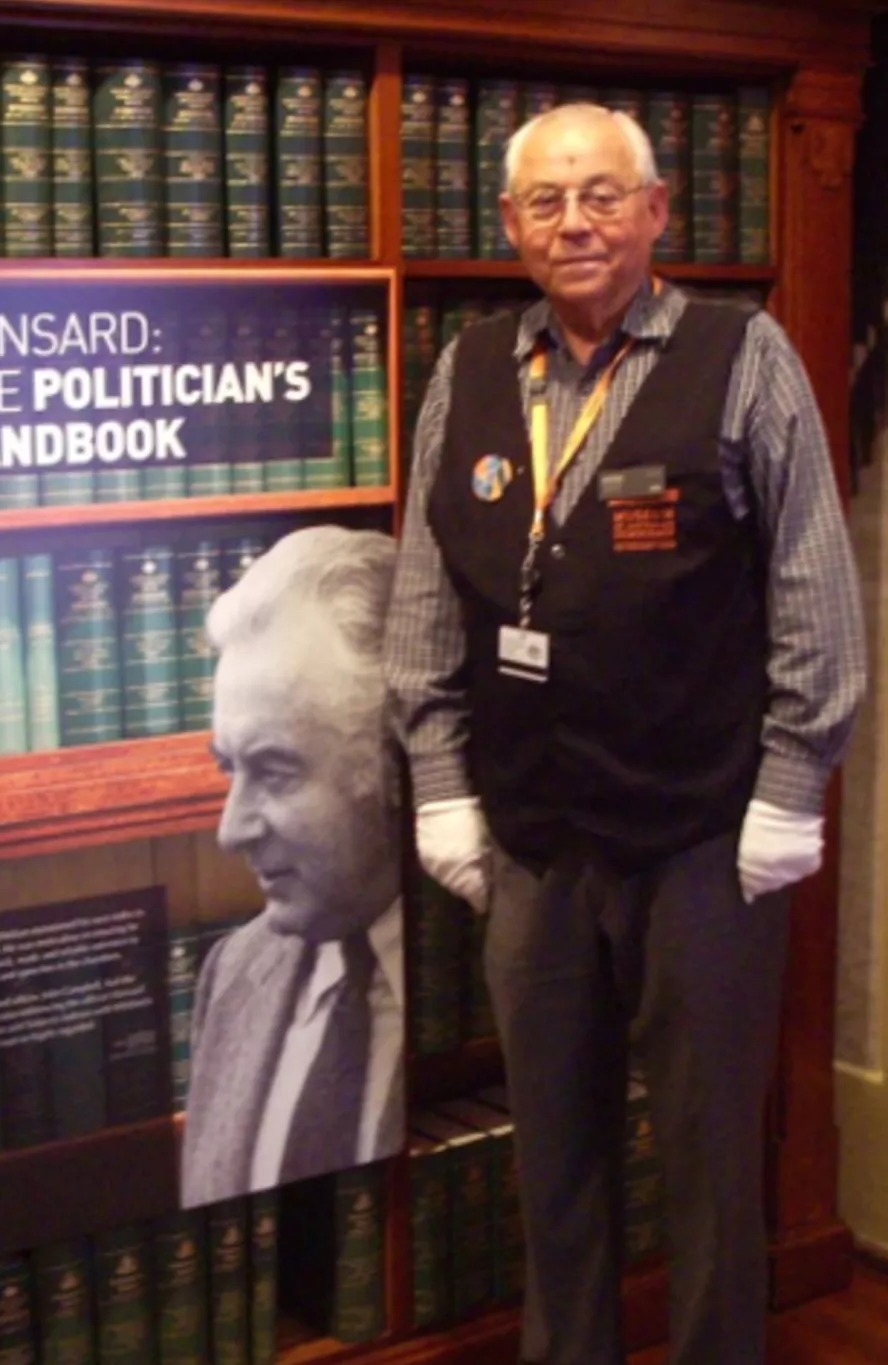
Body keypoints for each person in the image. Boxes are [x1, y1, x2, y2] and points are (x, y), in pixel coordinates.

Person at [384, 102, 866, 1365]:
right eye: (546, 201)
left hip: (701, 839)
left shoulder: (741, 351)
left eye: (603, 194)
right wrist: (439, 782)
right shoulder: (472, 367)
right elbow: (428, 590)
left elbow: (816, 590)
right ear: (509, 226)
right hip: (530, 842)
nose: (576, 221)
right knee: (557, 1160)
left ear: (656, 212)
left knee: (709, 1168)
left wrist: (789, 789)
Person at [181, 525, 405, 1209]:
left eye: (275, 771)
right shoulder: (232, 974)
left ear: (396, 761)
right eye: (229, 768)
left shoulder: (517, 973)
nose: (230, 829)